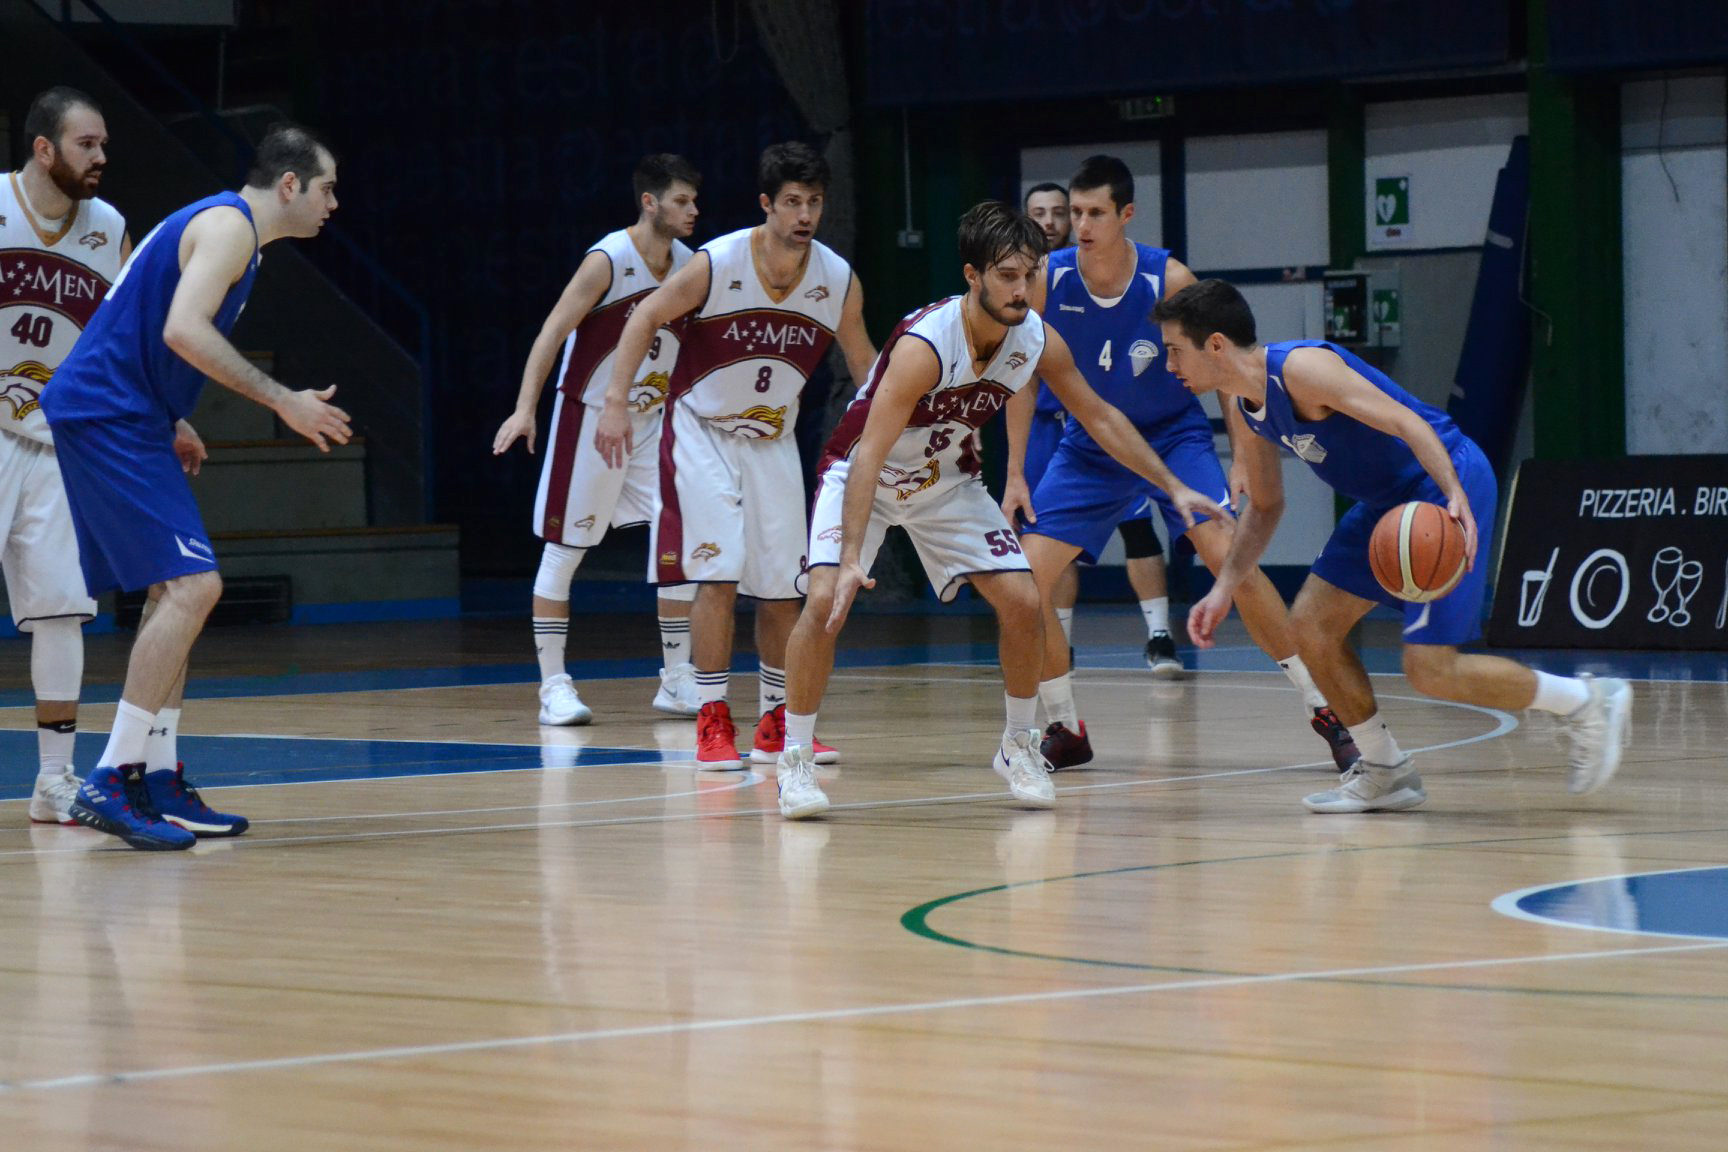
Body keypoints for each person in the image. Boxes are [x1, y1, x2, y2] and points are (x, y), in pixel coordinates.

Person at [771, 201, 1229, 820]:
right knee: (824, 600)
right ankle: (794, 759)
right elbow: (869, 452)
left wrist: (1172, 486)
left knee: (1021, 598)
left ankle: (1019, 743)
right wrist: (850, 556)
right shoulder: (925, 347)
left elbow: (1099, 416)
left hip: (944, 482)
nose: (1022, 290)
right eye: (1008, 276)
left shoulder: (1036, 338)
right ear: (972, 275)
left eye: (1030, 275)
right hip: (865, 477)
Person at [1154, 278, 1631, 812]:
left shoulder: (1302, 370)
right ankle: (1386, 770)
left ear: (1215, 344)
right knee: (1308, 628)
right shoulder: (1246, 406)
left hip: (1440, 485)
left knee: (1429, 668)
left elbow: (1407, 422)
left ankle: (1588, 702)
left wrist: (1453, 493)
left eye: (1175, 350)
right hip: (1386, 505)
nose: (1169, 365)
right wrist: (1223, 589)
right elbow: (1265, 507)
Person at [43, 122, 351, 849]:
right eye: (328, 187)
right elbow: (184, 329)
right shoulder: (229, 228)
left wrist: (173, 414)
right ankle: (111, 779)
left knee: (171, 591)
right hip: (103, 410)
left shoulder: (227, 229)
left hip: (131, 410)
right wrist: (284, 400)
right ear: (288, 185)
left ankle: (156, 776)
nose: (334, 203)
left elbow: (143, 323)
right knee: (193, 586)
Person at [1014, 155, 1359, 773]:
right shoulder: (1049, 279)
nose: (1082, 224)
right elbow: (1018, 376)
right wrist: (1015, 470)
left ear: (1126, 215)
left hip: (1175, 438)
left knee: (1230, 557)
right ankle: (1064, 725)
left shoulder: (1166, 277)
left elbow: (1225, 372)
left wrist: (1245, 459)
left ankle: (1323, 706)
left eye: (1096, 213)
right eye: (1076, 212)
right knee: (1024, 583)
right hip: (1091, 447)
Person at [595, 142, 877, 770]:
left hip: (773, 438)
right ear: (766, 206)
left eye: (815, 202)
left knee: (784, 591)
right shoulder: (716, 263)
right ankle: (711, 716)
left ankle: (777, 721)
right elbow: (643, 317)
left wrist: (892, 439)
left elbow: (865, 368)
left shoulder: (837, 278)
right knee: (717, 576)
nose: (805, 215)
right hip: (702, 431)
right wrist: (616, 399)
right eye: (793, 203)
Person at [493, 154, 703, 726]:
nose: (693, 211)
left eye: (694, 201)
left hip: (653, 423)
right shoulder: (607, 259)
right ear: (650, 202)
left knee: (680, 545)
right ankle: (553, 686)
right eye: (682, 200)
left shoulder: (691, 266)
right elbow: (552, 331)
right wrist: (524, 408)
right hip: (590, 419)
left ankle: (677, 678)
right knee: (567, 550)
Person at [1, 87, 130, 826]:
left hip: (56, 436)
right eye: (87, 144)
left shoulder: (107, 227)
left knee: (62, 609)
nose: (101, 157)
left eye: (104, 144)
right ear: (44, 148)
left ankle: (54, 781)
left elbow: (117, 334)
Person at [1021, 176, 1180, 680]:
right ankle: (1058, 645)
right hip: (1050, 425)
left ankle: (1159, 634)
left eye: (1059, 212)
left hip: (1109, 424)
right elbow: (1014, 367)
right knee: (1047, 541)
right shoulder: (1036, 277)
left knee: (1138, 525)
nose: (1051, 220)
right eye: (1039, 213)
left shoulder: (1115, 270)